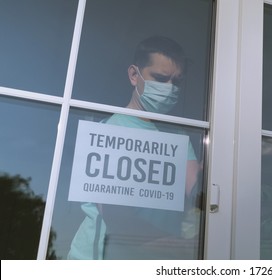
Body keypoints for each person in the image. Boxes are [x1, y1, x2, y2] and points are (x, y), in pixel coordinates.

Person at [68, 36, 201, 259]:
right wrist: (186, 248)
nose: (169, 89)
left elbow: (198, 190)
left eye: (177, 82)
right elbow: (118, 219)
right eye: (160, 78)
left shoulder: (178, 137)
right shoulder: (109, 132)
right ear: (133, 75)